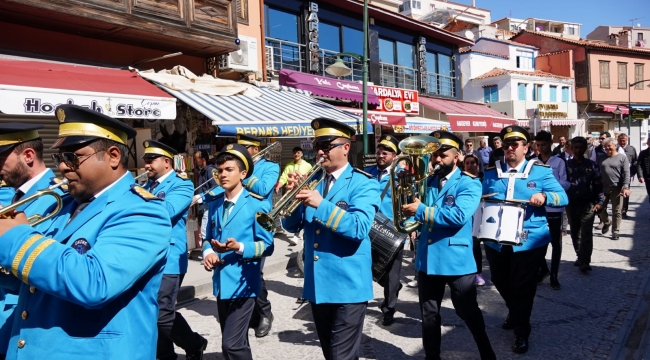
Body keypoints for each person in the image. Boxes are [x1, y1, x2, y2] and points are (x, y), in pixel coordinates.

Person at [0, 104, 171, 359]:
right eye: (59, 158)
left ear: (113, 156)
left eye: (73, 157)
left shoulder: (143, 211)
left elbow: (95, 283)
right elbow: (34, 277)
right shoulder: (61, 203)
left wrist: (13, 238)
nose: (62, 167)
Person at [282, 118, 379, 360]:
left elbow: (359, 227)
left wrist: (320, 204)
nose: (321, 152)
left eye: (327, 145)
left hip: (348, 285)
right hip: (318, 285)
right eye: (317, 146)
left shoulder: (363, 183)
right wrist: (291, 196)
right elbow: (289, 224)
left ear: (346, 147)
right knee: (332, 353)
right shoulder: (314, 182)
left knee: (340, 356)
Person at [401, 131, 495, 360]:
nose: (437, 159)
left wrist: (421, 211)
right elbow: (412, 212)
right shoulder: (426, 181)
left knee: (467, 310)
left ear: (458, 156)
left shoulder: (469, 183)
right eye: (435, 155)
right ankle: (431, 357)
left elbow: (458, 216)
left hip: (456, 258)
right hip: (428, 257)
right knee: (429, 314)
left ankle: (486, 351)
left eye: (443, 155)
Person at [482, 125, 568, 354]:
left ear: (525, 147)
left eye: (515, 144)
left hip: (528, 240)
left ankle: (521, 331)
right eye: (507, 143)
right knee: (499, 280)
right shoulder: (490, 172)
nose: (510, 148)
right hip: (495, 240)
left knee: (522, 287)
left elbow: (563, 197)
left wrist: (545, 195)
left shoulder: (540, 171)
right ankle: (515, 310)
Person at [0, 123, 69, 359]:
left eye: (1, 159)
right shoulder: (13, 195)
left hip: (21, 317)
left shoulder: (57, 197)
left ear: (28, 155)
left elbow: (48, 264)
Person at [202, 143, 274, 360]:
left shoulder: (257, 205)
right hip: (222, 284)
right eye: (220, 170)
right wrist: (208, 253)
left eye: (229, 170)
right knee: (235, 343)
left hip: (244, 284)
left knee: (231, 344)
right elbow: (207, 238)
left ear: (243, 174)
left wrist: (240, 247)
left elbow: (268, 245)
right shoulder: (215, 204)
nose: (223, 175)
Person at [141, 140, 207, 360]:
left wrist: (137, 197)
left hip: (170, 257)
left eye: (151, 160)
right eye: (145, 160)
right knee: (151, 312)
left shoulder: (181, 185)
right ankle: (165, 355)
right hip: (148, 258)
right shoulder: (148, 186)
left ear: (167, 162)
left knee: (162, 312)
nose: (146, 165)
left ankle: (195, 343)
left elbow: (167, 211)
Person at [364, 135, 403, 326]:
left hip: (392, 230)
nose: (380, 155)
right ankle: (393, 288)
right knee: (367, 267)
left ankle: (389, 308)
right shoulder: (366, 172)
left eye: (385, 153)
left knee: (391, 272)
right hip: (368, 227)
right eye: (378, 152)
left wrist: (410, 226)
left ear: (394, 156)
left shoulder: (402, 175)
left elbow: (409, 201)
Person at [534, 131, 570, 290]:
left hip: (554, 206)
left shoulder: (559, 161)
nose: (541, 148)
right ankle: (543, 269)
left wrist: (548, 189)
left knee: (556, 242)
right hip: (538, 207)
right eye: (538, 145)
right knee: (537, 241)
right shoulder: (532, 162)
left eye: (544, 144)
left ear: (550, 143)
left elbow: (566, 183)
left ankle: (554, 274)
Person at [565, 137, 604, 272]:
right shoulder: (567, 165)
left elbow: (598, 184)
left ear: (585, 149)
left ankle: (585, 261)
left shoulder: (591, 165)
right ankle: (579, 255)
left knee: (586, 232)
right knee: (575, 232)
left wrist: (600, 201)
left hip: (588, 203)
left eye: (581, 147)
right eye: (576, 147)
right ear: (572, 148)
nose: (578, 150)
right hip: (571, 203)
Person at [275, 146, 312, 246]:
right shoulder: (289, 166)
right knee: (294, 214)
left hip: (303, 193)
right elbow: (283, 178)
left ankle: (300, 233)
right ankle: (296, 232)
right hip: (292, 194)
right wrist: (279, 185)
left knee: (303, 213)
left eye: (298, 152)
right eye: (294, 153)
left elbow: (311, 179)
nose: (296, 154)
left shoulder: (307, 165)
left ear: (302, 154)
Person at [598, 137, 631, 240]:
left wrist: (625, 186)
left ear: (615, 146)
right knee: (600, 208)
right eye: (605, 146)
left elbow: (626, 173)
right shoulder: (601, 157)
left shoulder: (622, 157)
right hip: (603, 188)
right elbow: (597, 171)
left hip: (617, 188)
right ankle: (607, 222)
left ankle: (615, 231)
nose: (607, 148)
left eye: (609, 146)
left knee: (617, 211)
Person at [463, 154, 486, 287]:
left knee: (476, 245)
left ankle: (478, 273)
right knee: (469, 244)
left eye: (473, 163)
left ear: (477, 165)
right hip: (467, 216)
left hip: (481, 214)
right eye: (467, 163)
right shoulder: (460, 179)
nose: (470, 165)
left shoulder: (483, 179)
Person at [193, 150, 217, 241]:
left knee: (204, 232)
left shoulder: (210, 170)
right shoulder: (202, 171)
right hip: (205, 205)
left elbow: (216, 187)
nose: (195, 161)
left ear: (203, 160)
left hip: (210, 205)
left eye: (196, 159)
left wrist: (201, 197)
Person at [617, 134, 637, 219]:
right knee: (616, 193)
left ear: (627, 140)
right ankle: (617, 210)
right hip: (616, 175)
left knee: (625, 193)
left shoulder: (631, 149)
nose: (622, 142)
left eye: (624, 140)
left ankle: (624, 211)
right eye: (620, 140)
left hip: (627, 175)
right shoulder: (616, 148)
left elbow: (635, 162)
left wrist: (633, 172)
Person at [636, 138, 650, 218]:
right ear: (647, 143)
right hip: (648, 179)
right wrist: (640, 176)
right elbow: (639, 165)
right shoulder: (643, 153)